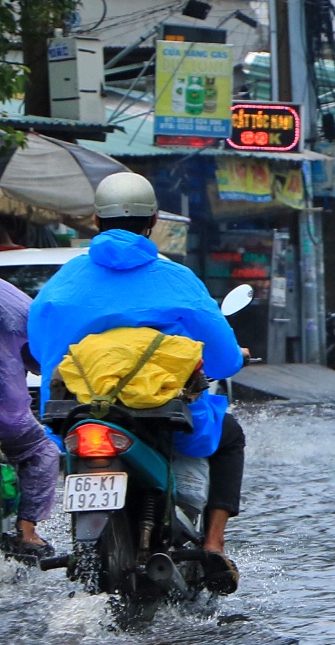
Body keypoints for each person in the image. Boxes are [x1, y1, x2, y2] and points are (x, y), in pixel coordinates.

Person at [28, 172, 247, 589]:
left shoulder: (63, 282)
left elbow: (42, 351)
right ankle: (215, 546)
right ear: (153, 221)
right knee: (230, 436)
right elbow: (222, 359)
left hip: (80, 413)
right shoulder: (177, 280)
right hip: (159, 417)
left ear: (96, 221)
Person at [0, 280, 58, 559]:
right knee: (41, 451)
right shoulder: (9, 297)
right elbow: (38, 356)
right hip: (7, 416)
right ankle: (27, 533)